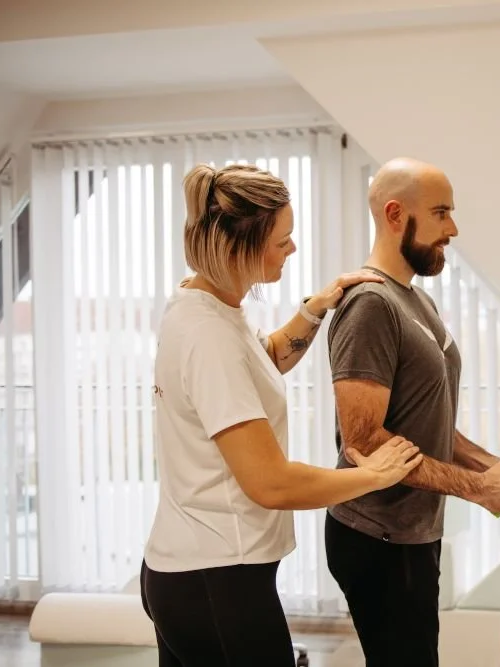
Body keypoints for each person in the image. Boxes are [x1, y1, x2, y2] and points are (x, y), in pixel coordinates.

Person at [139, 163, 423, 667]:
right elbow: (270, 483)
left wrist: (314, 309)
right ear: (236, 248)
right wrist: (371, 476)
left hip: (189, 573)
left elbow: (260, 362)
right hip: (216, 580)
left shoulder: (203, 305)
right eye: (282, 241)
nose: (292, 250)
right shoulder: (209, 337)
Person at [324, 157, 500, 667]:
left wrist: (488, 464)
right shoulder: (370, 305)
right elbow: (366, 442)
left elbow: (428, 419)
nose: (453, 229)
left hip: (415, 531)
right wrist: (479, 489)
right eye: (441, 213)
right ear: (396, 214)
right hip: (376, 536)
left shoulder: (417, 303)